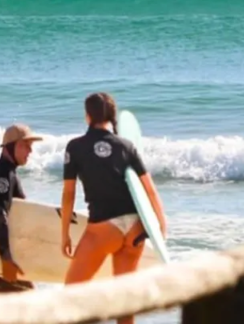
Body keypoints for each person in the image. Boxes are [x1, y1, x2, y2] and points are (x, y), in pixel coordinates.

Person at [60, 92, 167, 324]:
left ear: (88, 116)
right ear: (111, 117)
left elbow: (69, 194)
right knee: (124, 302)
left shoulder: (75, 147)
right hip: (136, 228)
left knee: (71, 294)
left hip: (104, 229)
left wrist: (65, 234)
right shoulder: (126, 145)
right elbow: (149, 190)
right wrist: (160, 225)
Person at [0, 123, 42, 295]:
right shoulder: (3, 175)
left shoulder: (6, 172)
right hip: (1, 258)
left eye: (31, 146)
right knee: (31, 304)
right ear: (10, 146)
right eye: (25, 145)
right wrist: (6, 258)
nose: (30, 151)